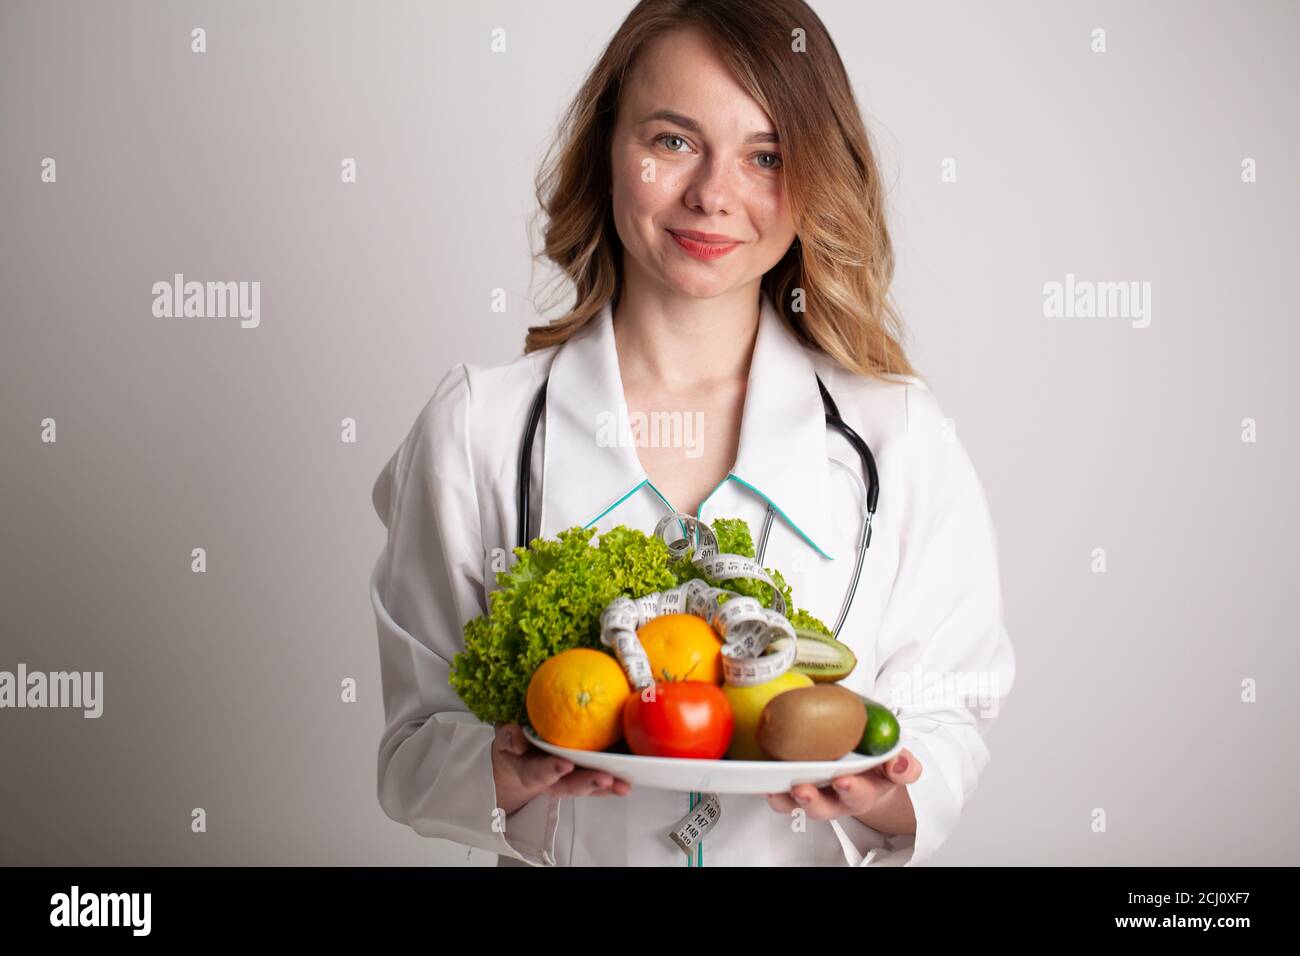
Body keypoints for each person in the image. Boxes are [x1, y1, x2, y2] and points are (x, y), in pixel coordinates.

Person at [370, 0, 1015, 866]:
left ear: (818, 177)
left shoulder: (898, 435)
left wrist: (893, 792)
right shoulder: (477, 429)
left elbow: (953, 708)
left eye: (767, 156)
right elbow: (414, 747)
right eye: (672, 141)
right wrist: (504, 769)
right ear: (608, 150)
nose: (713, 194)